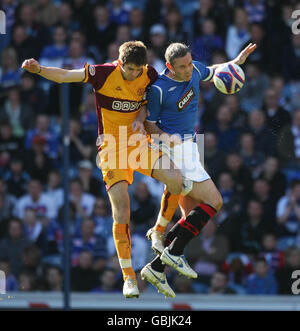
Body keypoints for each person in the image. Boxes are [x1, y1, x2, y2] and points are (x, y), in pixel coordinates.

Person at [22, 41, 183, 299]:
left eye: (137, 70)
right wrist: (39, 69)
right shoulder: (103, 74)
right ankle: (129, 277)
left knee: (177, 180)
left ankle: (158, 231)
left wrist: (142, 120)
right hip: (111, 148)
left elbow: (147, 103)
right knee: (122, 211)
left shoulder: (149, 73)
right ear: (120, 63)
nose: (134, 74)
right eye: (129, 69)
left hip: (137, 143)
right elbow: (65, 76)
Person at [141, 42, 256, 298]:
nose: (188, 70)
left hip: (190, 148)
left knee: (192, 214)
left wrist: (234, 62)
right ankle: (173, 253)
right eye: (182, 67)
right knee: (215, 202)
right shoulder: (159, 89)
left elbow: (213, 70)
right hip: (175, 150)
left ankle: (157, 268)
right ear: (170, 66)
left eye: (190, 64)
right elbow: (148, 126)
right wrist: (169, 140)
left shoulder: (193, 70)